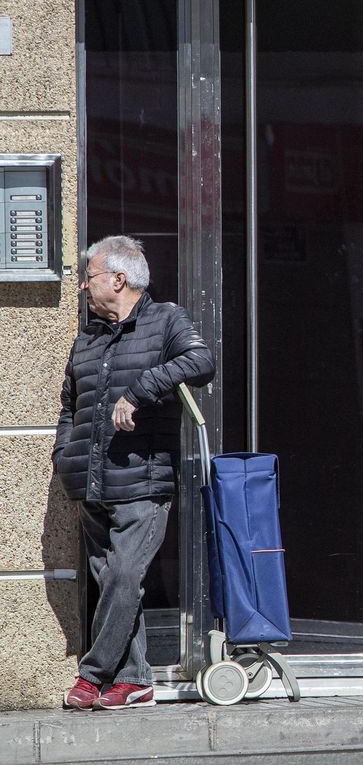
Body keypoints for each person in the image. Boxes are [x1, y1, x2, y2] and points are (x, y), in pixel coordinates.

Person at [54, 236, 216, 710]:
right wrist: (65, 456)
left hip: (143, 480)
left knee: (124, 574)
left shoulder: (166, 320)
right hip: (90, 482)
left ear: (119, 279)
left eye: (90, 277)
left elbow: (201, 362)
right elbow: (70, 406)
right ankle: (135, 681)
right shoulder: (89, 337)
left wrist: (141, 390)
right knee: (115, 585)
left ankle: (94, 673)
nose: (84, 286)